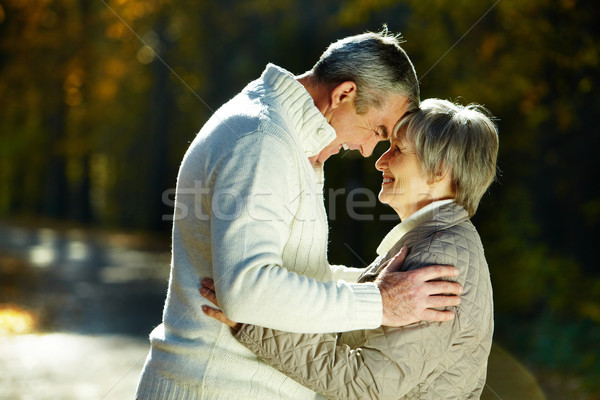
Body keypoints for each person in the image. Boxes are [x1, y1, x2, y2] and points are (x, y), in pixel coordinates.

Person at [136, 30, 462, 400]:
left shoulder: (283, 136)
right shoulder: (263, 140)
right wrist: (380, 303)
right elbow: (247, 290)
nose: (370, 149)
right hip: (212, 387)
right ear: (343, 95)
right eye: (378, 130)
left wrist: (379, 284)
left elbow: (295, 272)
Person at [201, 98, 499, 399]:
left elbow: (366, 384)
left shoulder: (438, 256)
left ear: (439, 170)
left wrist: (255, 323)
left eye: (398, 149)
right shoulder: (439, 242)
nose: (381, 161)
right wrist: (263, 288)